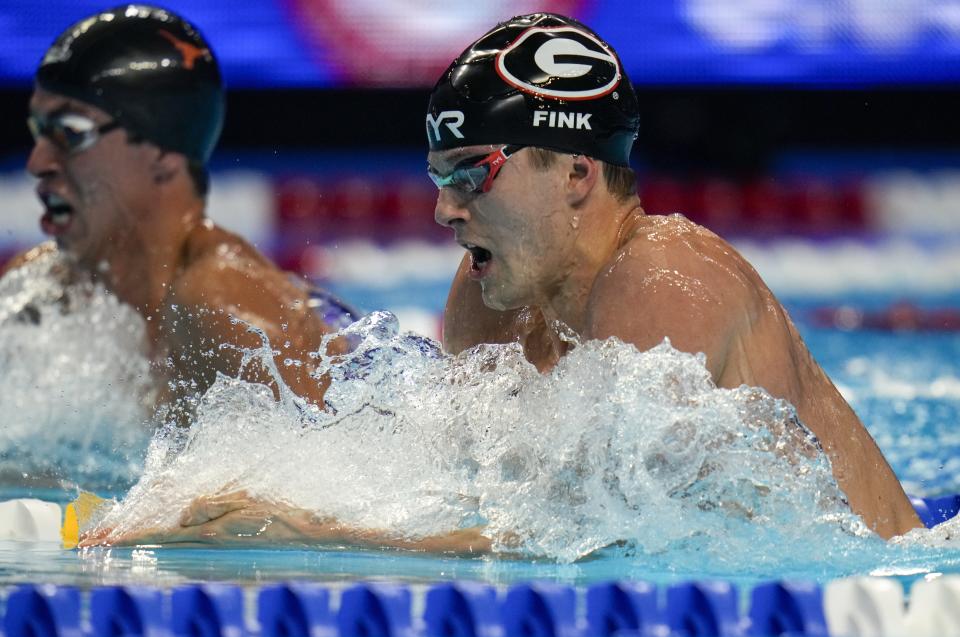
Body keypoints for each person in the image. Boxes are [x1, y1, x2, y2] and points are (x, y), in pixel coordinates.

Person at [84, 12, 920, 550]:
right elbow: (461, 485)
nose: (446, 211)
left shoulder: (665, 279)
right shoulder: (489, 298)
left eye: (472, 174)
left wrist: (299, 528)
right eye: (437, 177)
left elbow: (606, 538)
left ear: (578, 175)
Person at [3, 4, 356, 411]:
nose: (38, 163)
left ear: (163, 151)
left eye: (69, 133)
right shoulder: (46, 287)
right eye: (38, 132)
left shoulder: (225, 308)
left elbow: (334, 468)